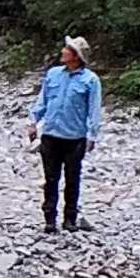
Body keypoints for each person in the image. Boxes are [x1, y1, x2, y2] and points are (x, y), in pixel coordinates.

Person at [30, 32, 103, 231]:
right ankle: (49, 219)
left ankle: (70, 218)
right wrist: (33, 122)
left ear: (76, 56)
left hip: (75, 137)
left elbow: (94, 109)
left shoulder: (91, 80)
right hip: (51, 134)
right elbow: (42, 100)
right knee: (50, 178)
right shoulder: (53, 74)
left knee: (73, 178)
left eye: (68, 50)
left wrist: (92, 135)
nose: (63, 51)